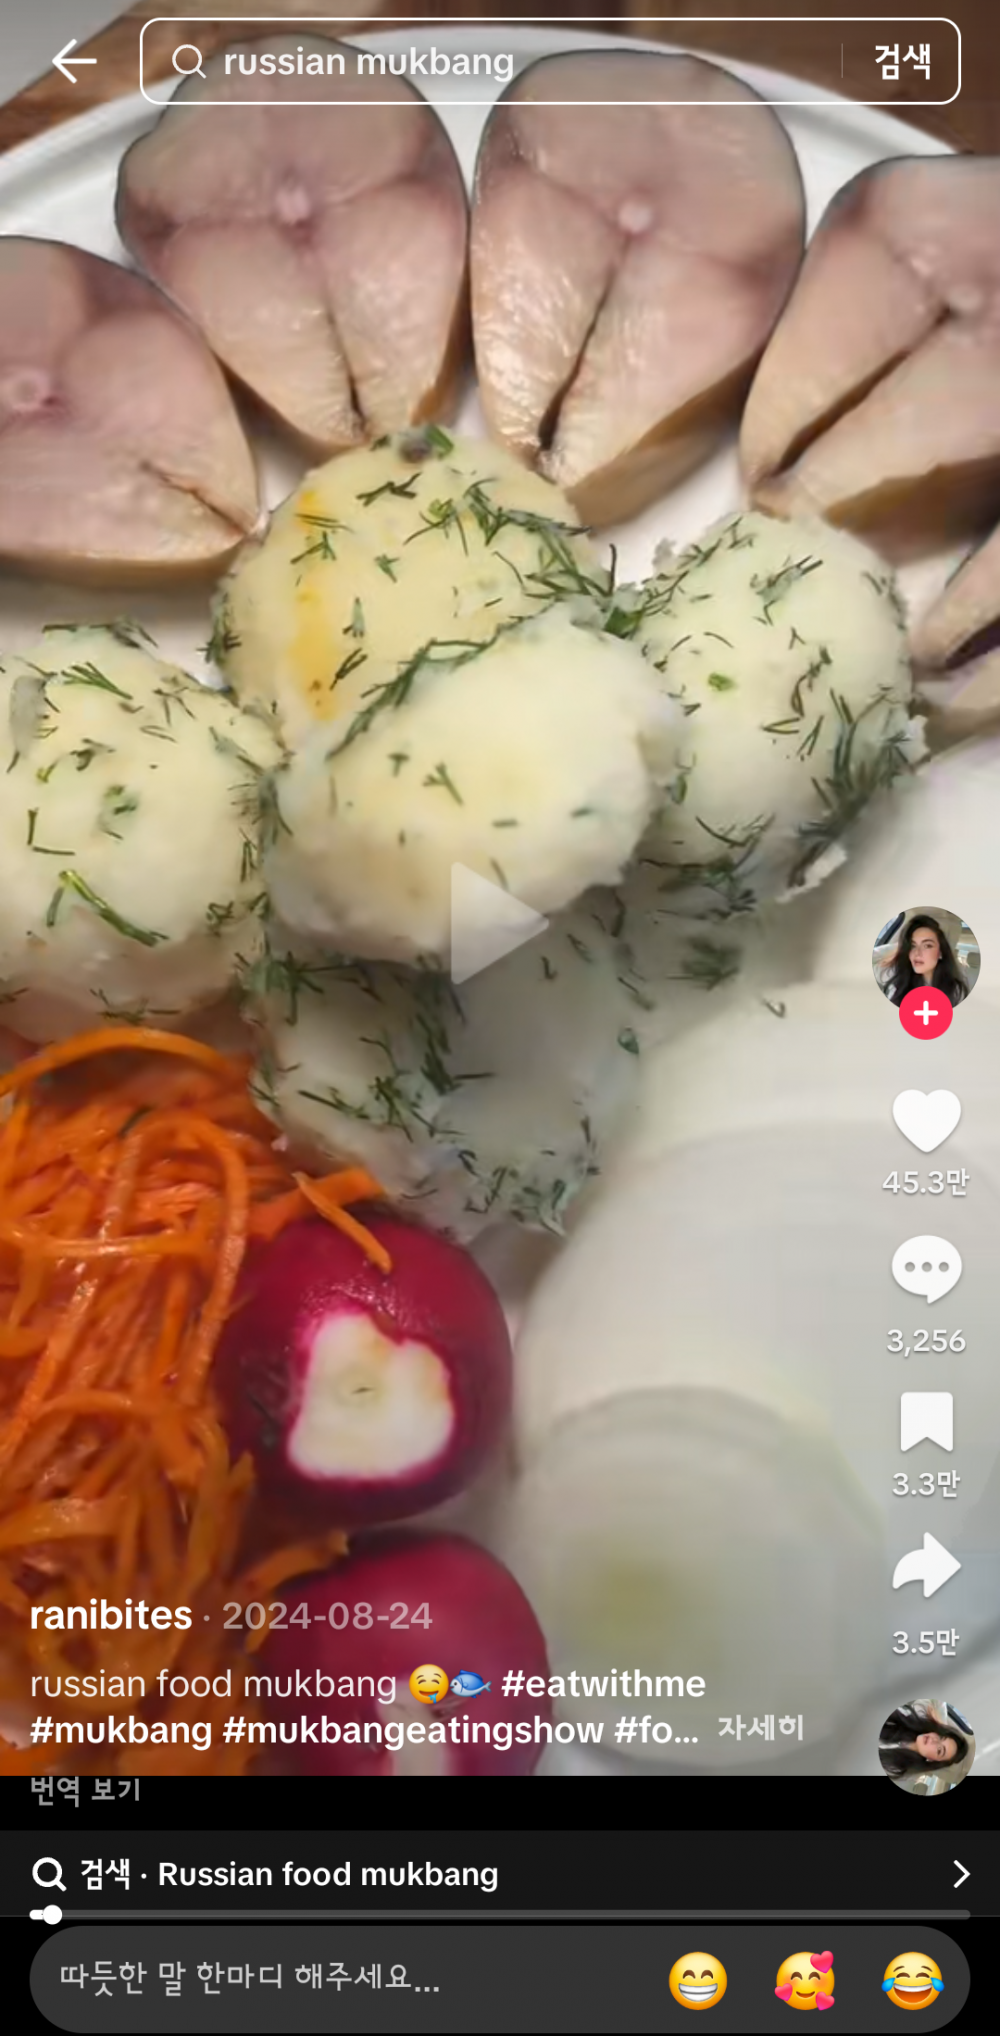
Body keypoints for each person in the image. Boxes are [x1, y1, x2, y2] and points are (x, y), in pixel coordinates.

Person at [877, 915, 970, 1007]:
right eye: (913, 946)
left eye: (927, 946)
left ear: (940, 953)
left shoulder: (956, 991)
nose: (917, 953)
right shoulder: (898, 983)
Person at [878, 1701, 971, 1780]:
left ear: (932, 1760)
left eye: (939, 1750)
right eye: (941, 1737)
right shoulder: (911, 1719)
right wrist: (939, 1724)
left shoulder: (898, 1770)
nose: (934, 1740)